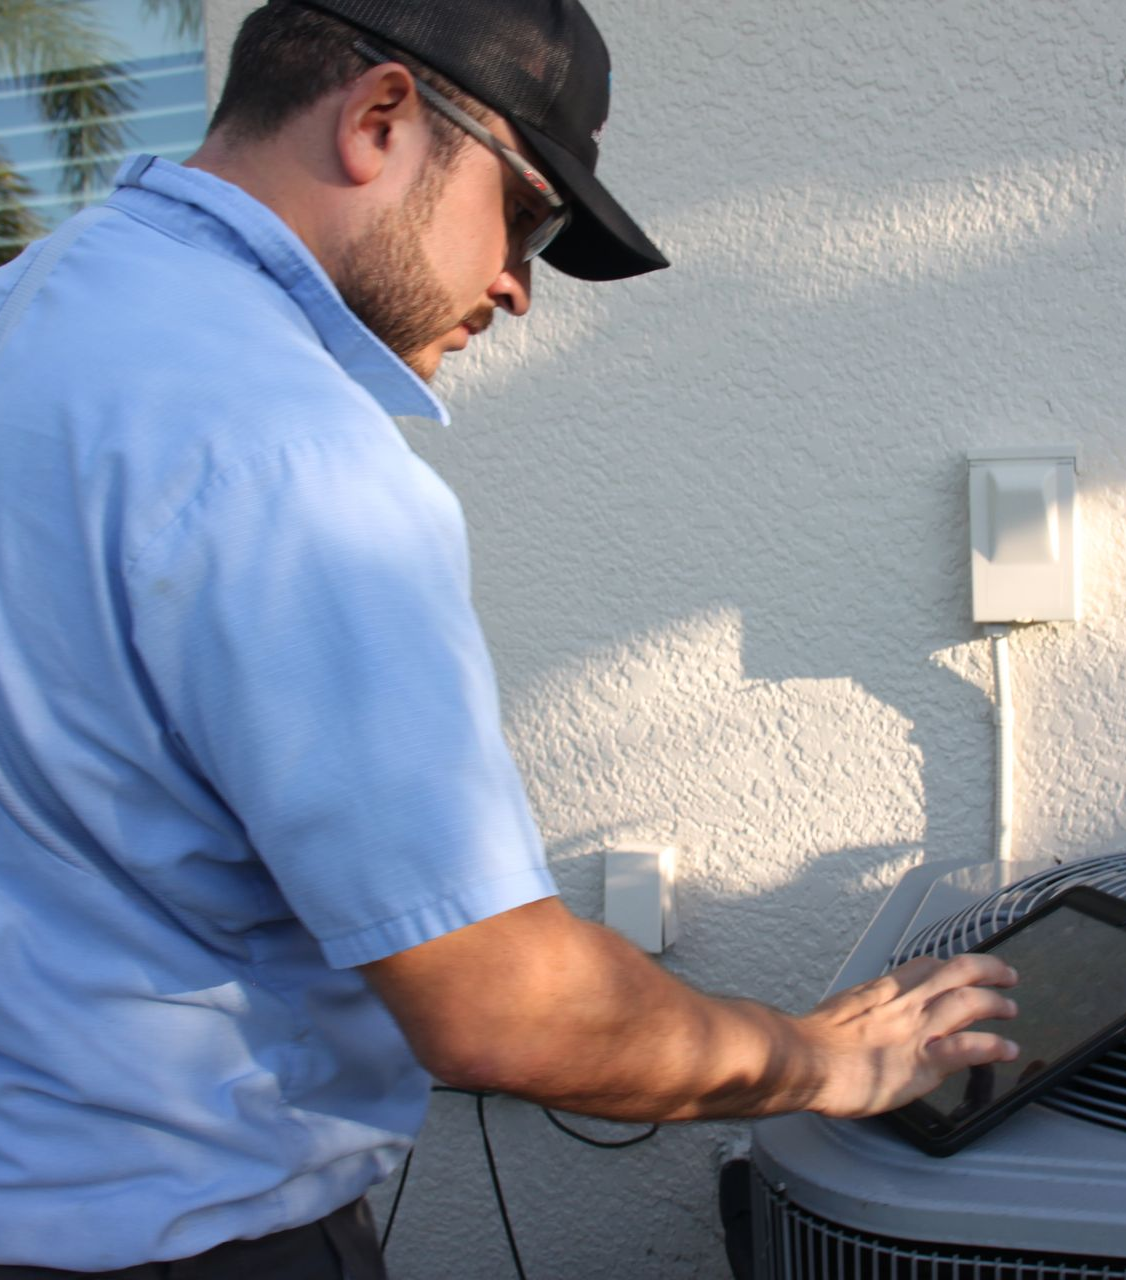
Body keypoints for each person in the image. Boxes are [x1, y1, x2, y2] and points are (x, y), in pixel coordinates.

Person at [0, 0, 1019, 1274]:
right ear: (379, 119)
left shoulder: (37, 309)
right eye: (527, 213)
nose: (517, 288)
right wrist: (831, 1057)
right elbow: (499, 1003)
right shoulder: (292, 455)